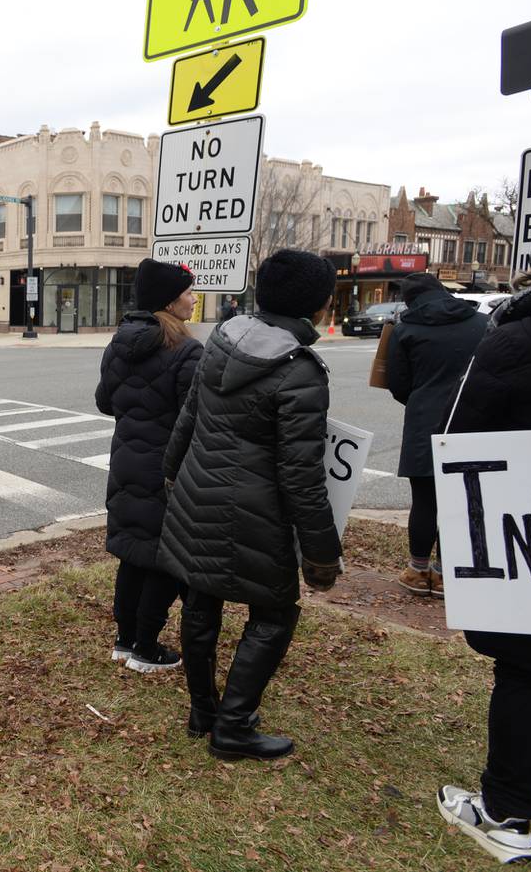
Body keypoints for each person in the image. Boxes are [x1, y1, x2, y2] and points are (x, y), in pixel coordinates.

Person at [157, 249, 343, 761]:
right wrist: (322, 556)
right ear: (319, 305)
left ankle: (205, 712)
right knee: (275, 613)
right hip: (254, 512)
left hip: (199, 491)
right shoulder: (298, 369)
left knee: (201, 601)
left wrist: (173, 477)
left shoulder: (224, 337)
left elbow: (188, 418)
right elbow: (302, 477)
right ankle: (234, 727)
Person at [436, 245, 531, 865]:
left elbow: (463, 441)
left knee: (529, 671)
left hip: (528, 530)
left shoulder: (513, 340)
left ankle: (507, 811)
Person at [95, 259, 203, 673]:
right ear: (170, 301)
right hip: (167, 468)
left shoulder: (119, 343)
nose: (194, 300)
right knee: (163, 556)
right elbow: (194, 418)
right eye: (189, 293)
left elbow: (106, 402)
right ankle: (146, 648)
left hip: (126, 462)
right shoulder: (187, 351)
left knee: (132, 553)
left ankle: (124, 641)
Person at [384, 272, 487, 598]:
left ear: (410, 300)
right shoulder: (482, 322)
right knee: (462, 498)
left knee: (425, 500)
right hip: (471, 417)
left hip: (424, 421)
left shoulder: (405, 330)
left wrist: (422, 398)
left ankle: (417, 571)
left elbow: (398, 385)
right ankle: (446, 573)